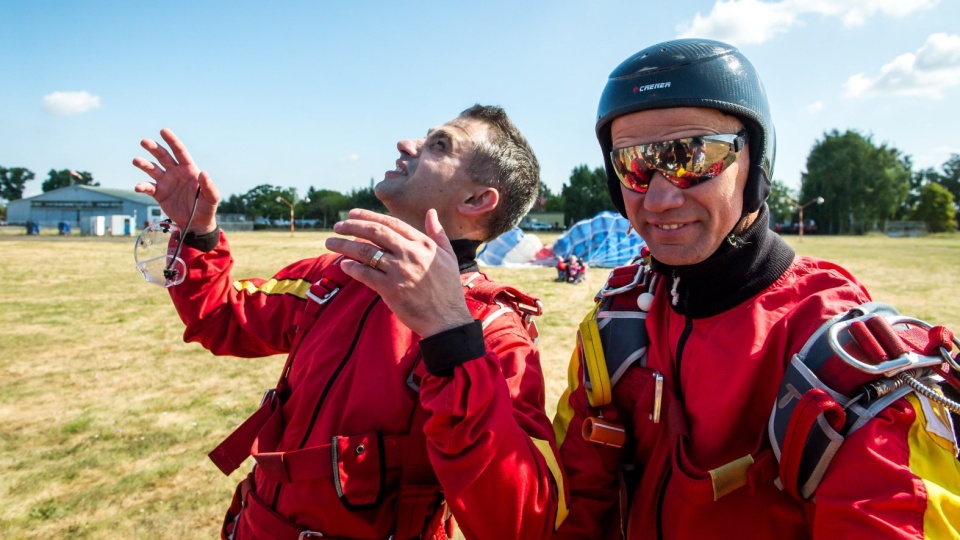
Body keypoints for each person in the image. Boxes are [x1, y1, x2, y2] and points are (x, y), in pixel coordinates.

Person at [551, 38, 960, 538]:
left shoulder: (840, 355)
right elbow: (569, 505)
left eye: (691, 156)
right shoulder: (616, 322)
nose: (657, 197)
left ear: (756, 164)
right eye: (633, 165)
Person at [131, 104, 566, 540]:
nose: (406, 144)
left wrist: (450, 336)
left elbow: (521, 522)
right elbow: (223, 318)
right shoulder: (335, 275)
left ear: (476, 200)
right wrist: (199, 231)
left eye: (439, 145)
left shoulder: (491, 332)